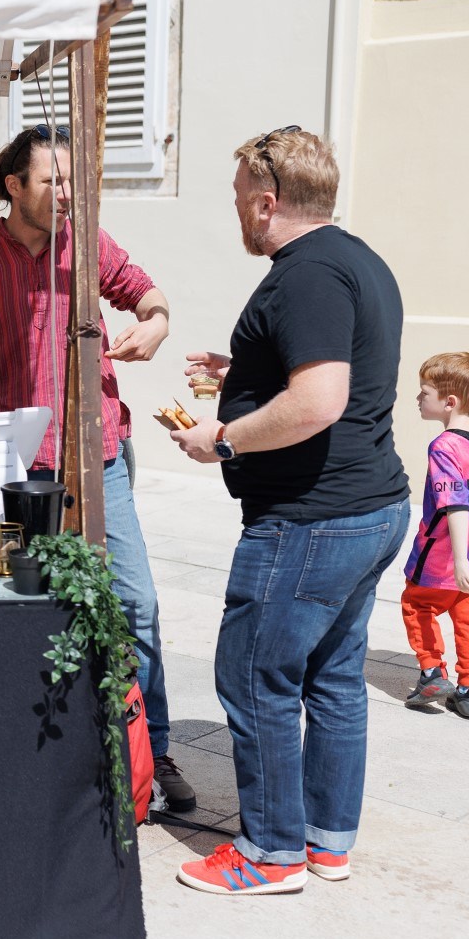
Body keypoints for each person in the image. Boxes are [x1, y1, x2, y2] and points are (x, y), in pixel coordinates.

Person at [0, 125, 193, 812]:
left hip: (99, 457)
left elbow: (149, 296)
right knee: (27, 613)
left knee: (135, 603)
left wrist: (156, 323)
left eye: (70, 181)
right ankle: (41, 758)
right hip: (12, 468)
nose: (65, 193)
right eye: (52, 180)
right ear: (14, 186)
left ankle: (154, 750)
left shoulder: (87, 247)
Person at [170, 126, 409, 894]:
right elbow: (331, 365)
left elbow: (320, 399)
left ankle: (270, 853)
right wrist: (245, 370)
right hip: (368, 508)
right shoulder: (357, 261)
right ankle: (325, 841)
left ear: (268, 202)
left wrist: (223, 439)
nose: (237, 209)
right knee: (333, 677)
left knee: (253, 675)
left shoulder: (304, 276)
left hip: (312, 518)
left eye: (240, 195)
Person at [400, 352, 469, 720]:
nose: (417, 398)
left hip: (445, 555)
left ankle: (432, 672)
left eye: (424, 392)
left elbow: (455, 504)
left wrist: (459, 560)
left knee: (417, 604)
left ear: (450, 401)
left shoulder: (444, 446)